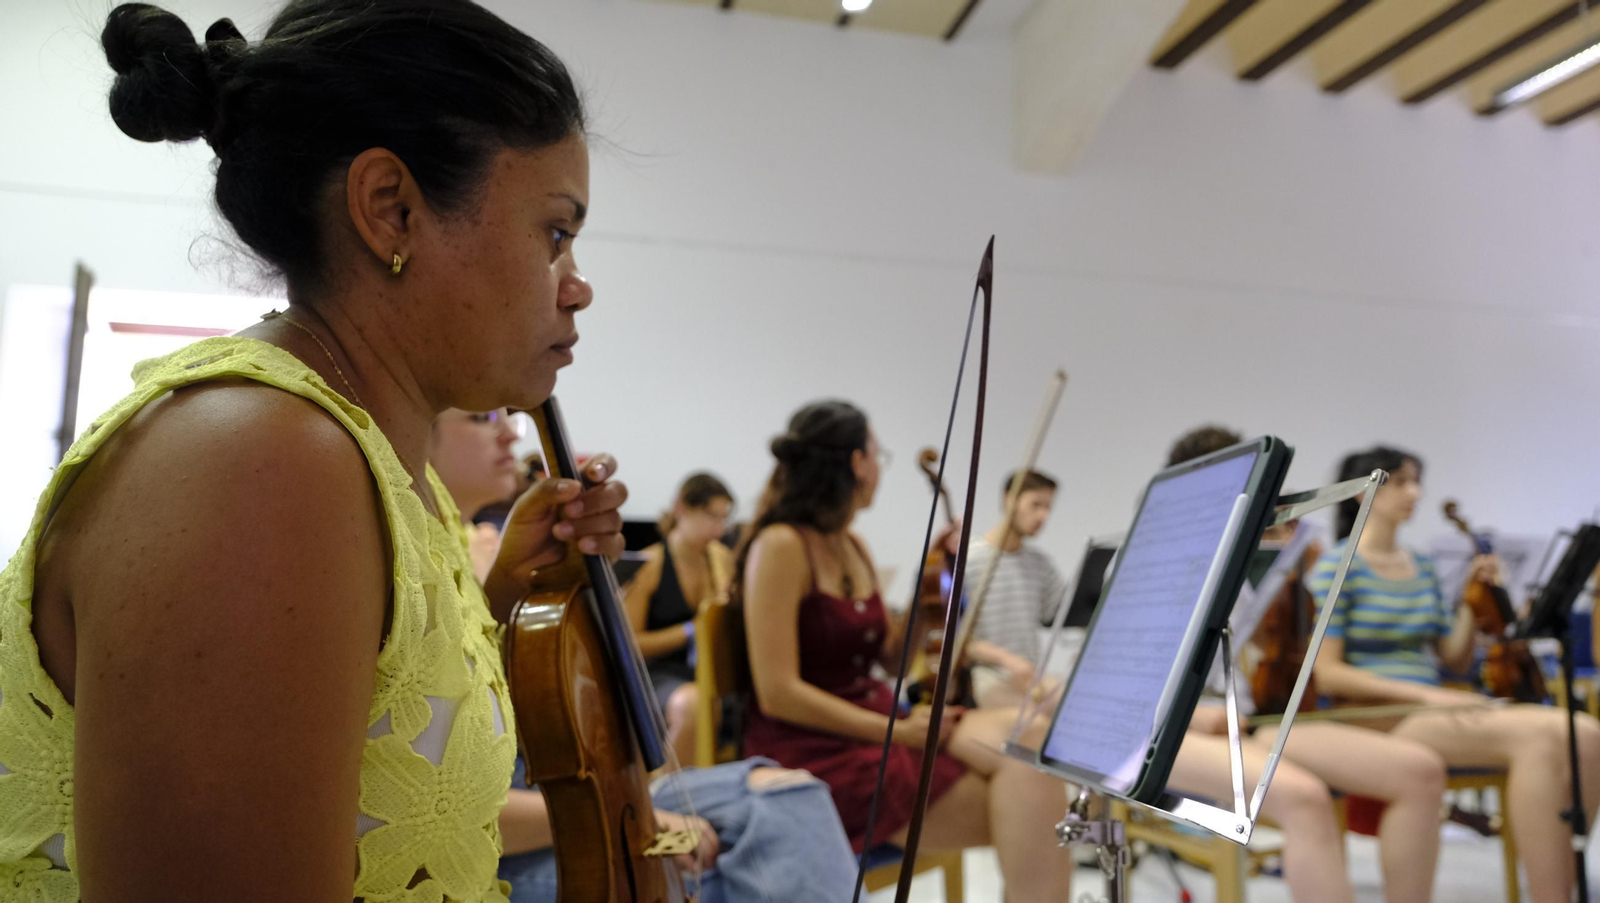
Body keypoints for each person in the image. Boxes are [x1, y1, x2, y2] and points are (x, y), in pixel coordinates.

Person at [0, 3, 630, 900]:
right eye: (556, 233)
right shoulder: (259, 466)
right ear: (391, 209)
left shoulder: (369, 455)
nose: (579, 285)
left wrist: (503, 596)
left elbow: (369, 740)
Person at [426, 410, 859, 903]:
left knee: (795, 794)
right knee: (745, 873)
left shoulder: (467, 550)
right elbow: (441, 806)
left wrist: (507, 585)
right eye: (482, 417)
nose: (512, 430)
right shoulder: (413, 572)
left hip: (593, 796)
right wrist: (637, 816)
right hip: (539, 828)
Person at [733, 400, 1075, 903]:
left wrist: (925, 598)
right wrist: (895, 730)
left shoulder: (852, 544)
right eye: (878, 456)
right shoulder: (781, 546)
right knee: (1034, 809)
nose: (880, 471)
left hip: (875, 720)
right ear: (857, 464)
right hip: (813, 748)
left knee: (1030, 747)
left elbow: (891, 662)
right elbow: (777, 693)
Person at [1162, 426, 1448, 903]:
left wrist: (1294, 574)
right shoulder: (1161, 562)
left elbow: (1260, 648)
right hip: (1187, 726)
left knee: (1420, 771)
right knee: (1305, 798)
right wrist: (1193, 713)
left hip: (1250, 719)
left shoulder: (1246, 560)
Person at [1311, 445, 1600, 903]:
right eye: (1400, 482)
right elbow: (1327, 674)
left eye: (1416, 481)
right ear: (1361, 494)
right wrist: (1425, 697)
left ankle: (1563, 880)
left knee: (1584, 733)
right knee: (1539, 740)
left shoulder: (1422, 567)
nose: (1415, 492)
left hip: (1431, 704)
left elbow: (1454, 659)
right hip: (1374, 714)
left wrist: (1471, 601)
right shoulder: (1336, 567)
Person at [623, 473, 737, 767]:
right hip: (658, 674)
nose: (719, 528)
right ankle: (666, 799)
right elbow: (630, 645)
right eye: (711, 516)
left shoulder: (721, 558)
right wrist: (690, 630)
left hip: (708, 670)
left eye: (724, 519)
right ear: (682, 508)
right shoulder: (651, 564)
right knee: (693, 705)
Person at [961, 470, 1069, 708]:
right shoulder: (969, 560)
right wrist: (1005, 659)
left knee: (1075, 708)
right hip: (984, 674)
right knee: (1027, 721)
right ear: (1008, 500)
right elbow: (958, 639)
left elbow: (1059, 613)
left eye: (1048, 507)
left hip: (1029, 674)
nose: (1043, 515)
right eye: (1036, 505)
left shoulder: (1040, 564)